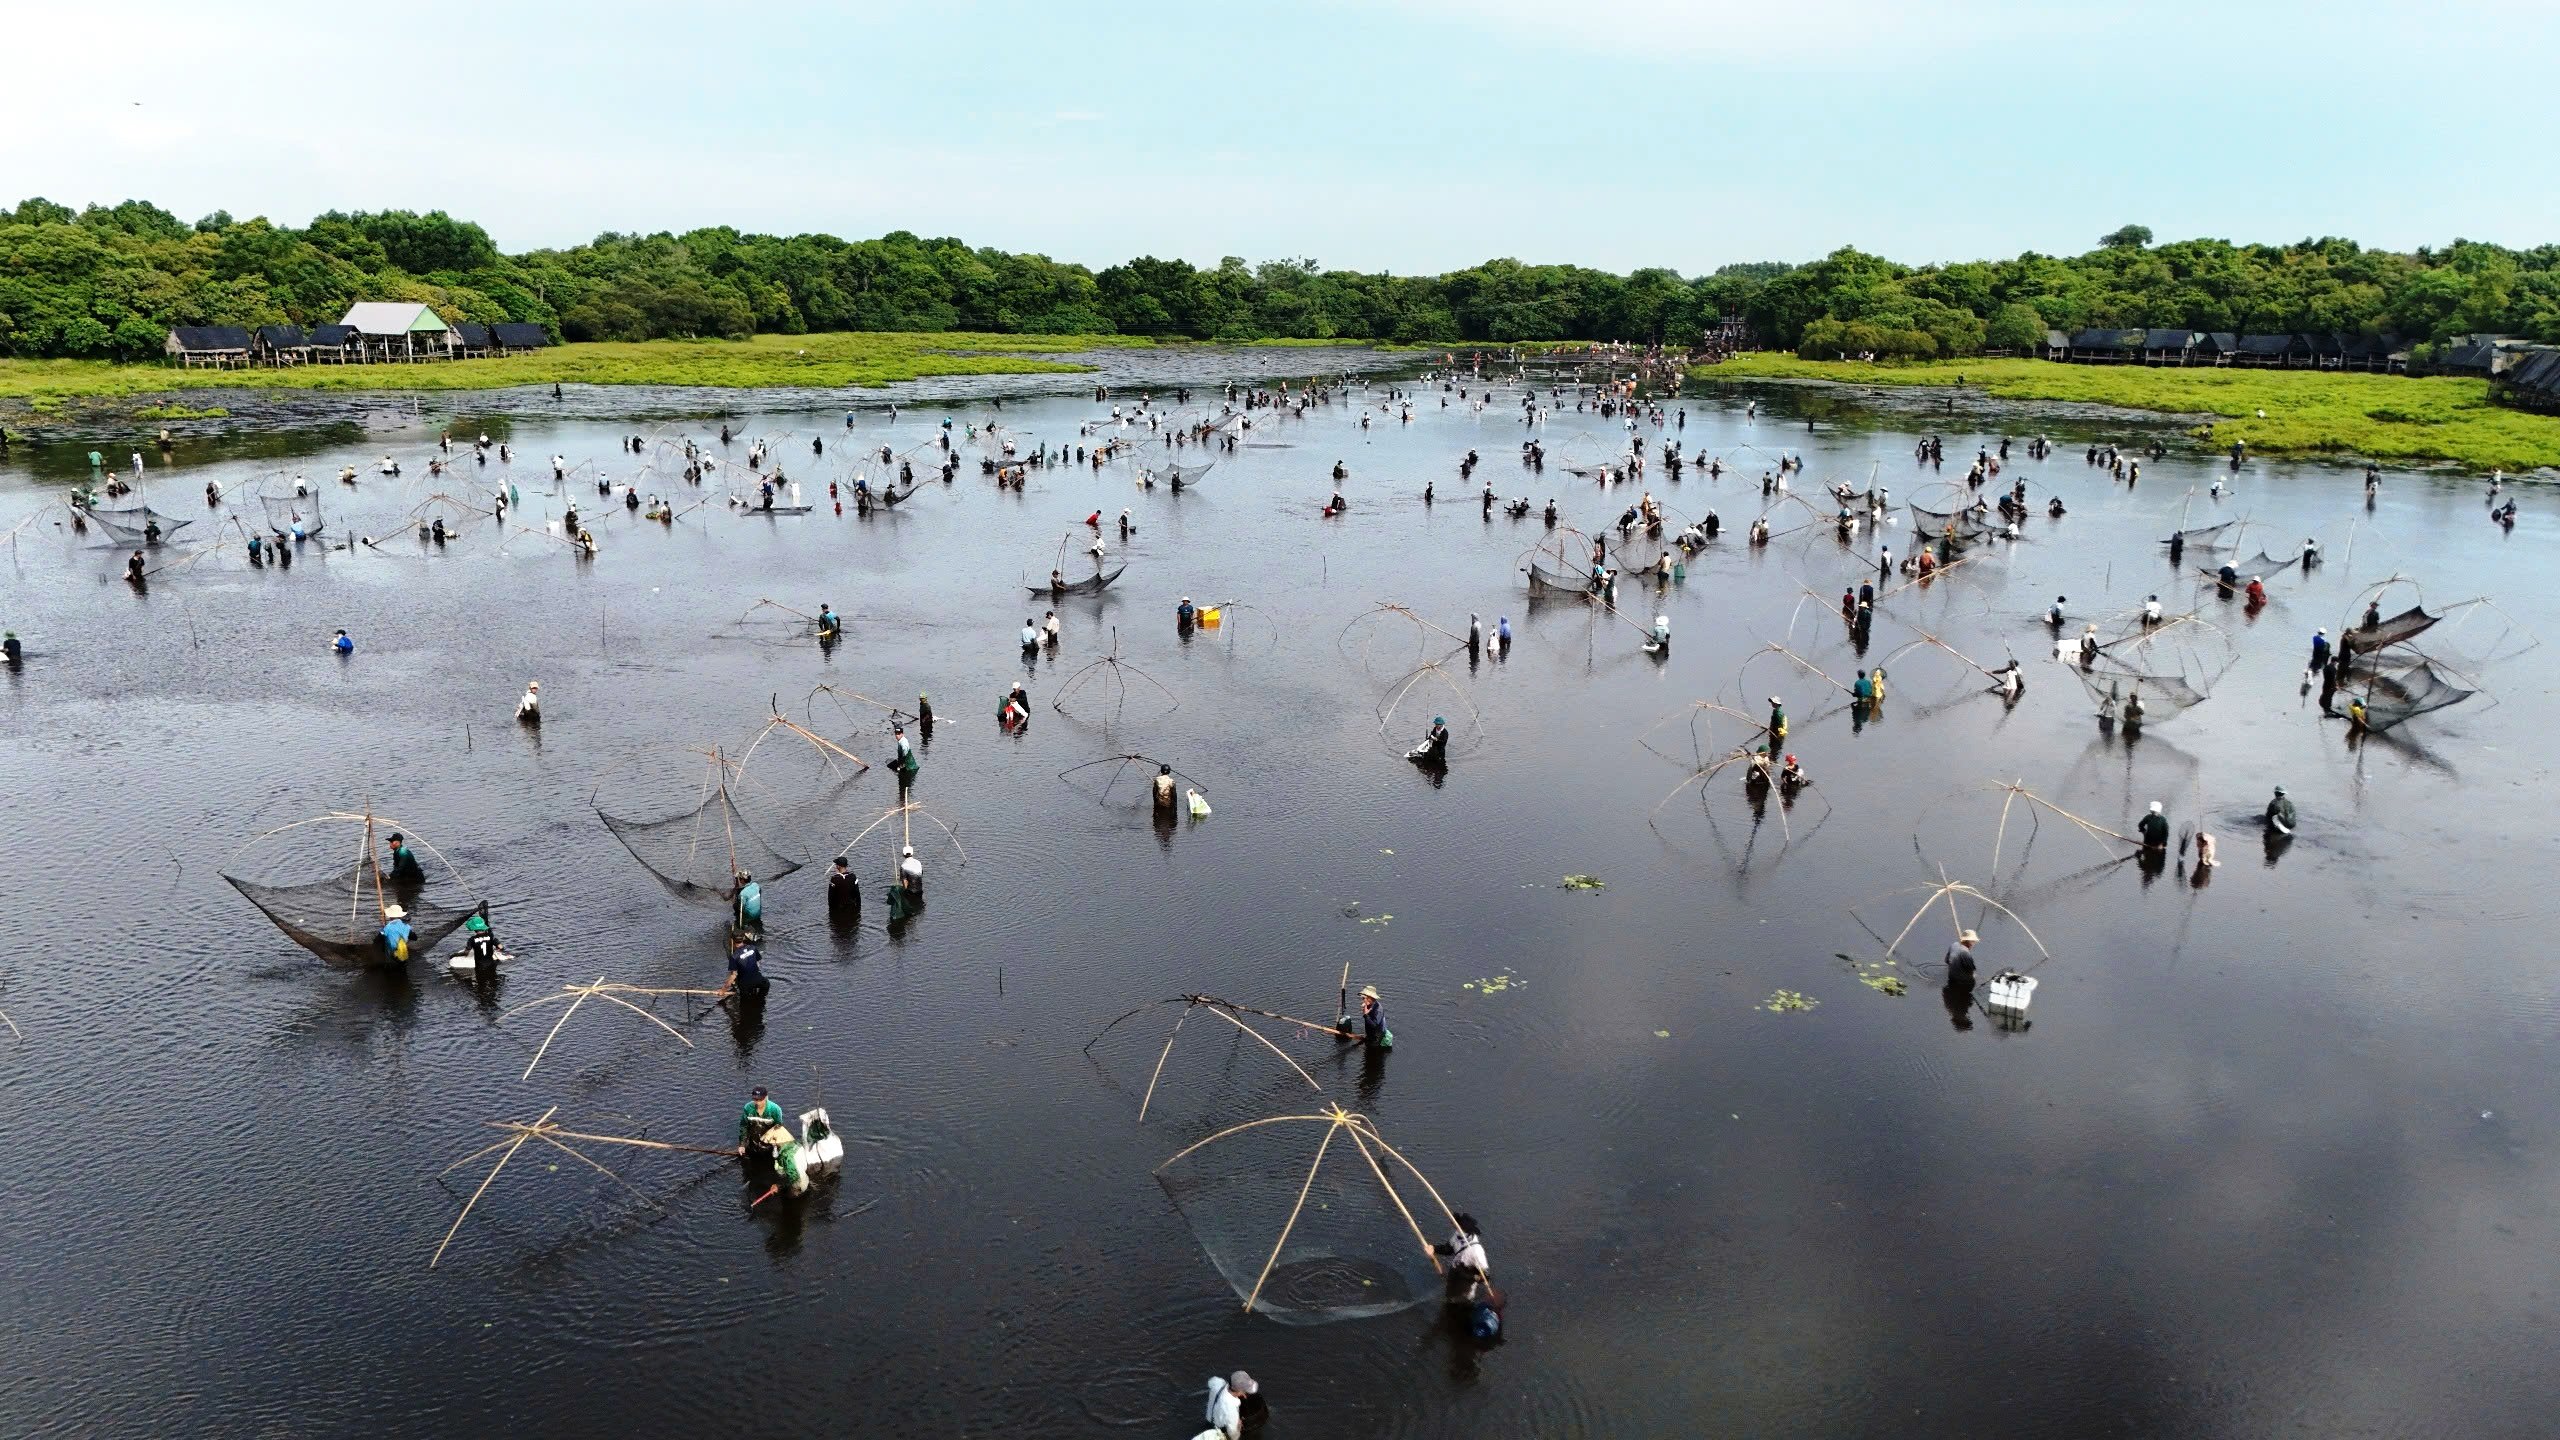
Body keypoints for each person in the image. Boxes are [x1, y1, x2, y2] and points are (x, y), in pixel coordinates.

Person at [735, 1085, 785, 1153]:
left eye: (760, 1100)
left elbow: (778, 1128)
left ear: (766, 1097)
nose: (758, 1102)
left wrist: (776, 1143)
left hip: (770, 1146)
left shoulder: (775, 1109)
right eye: (755, 1099)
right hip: (753, 1145)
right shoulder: (747, 1108)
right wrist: (742, 1145)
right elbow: (744, 1126)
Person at [461, 906, 503, 980]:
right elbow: (500, 947)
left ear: (474, 929)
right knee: (493, 982)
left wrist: (458, 954)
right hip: (491, 964)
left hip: (480, 966)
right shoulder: (491, 937)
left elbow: (466, 952)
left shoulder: (472, 940)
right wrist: (497, 949)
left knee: (481, 985)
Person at [730, 870, 763, 937]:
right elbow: (759, 893)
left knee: (735, 906)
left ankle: (745, 927)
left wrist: (740, 924)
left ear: (742, 880)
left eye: (740, 879)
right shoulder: (756, 885)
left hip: (749, 916)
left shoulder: (742, 894)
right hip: (758, 913)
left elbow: (741, 909)